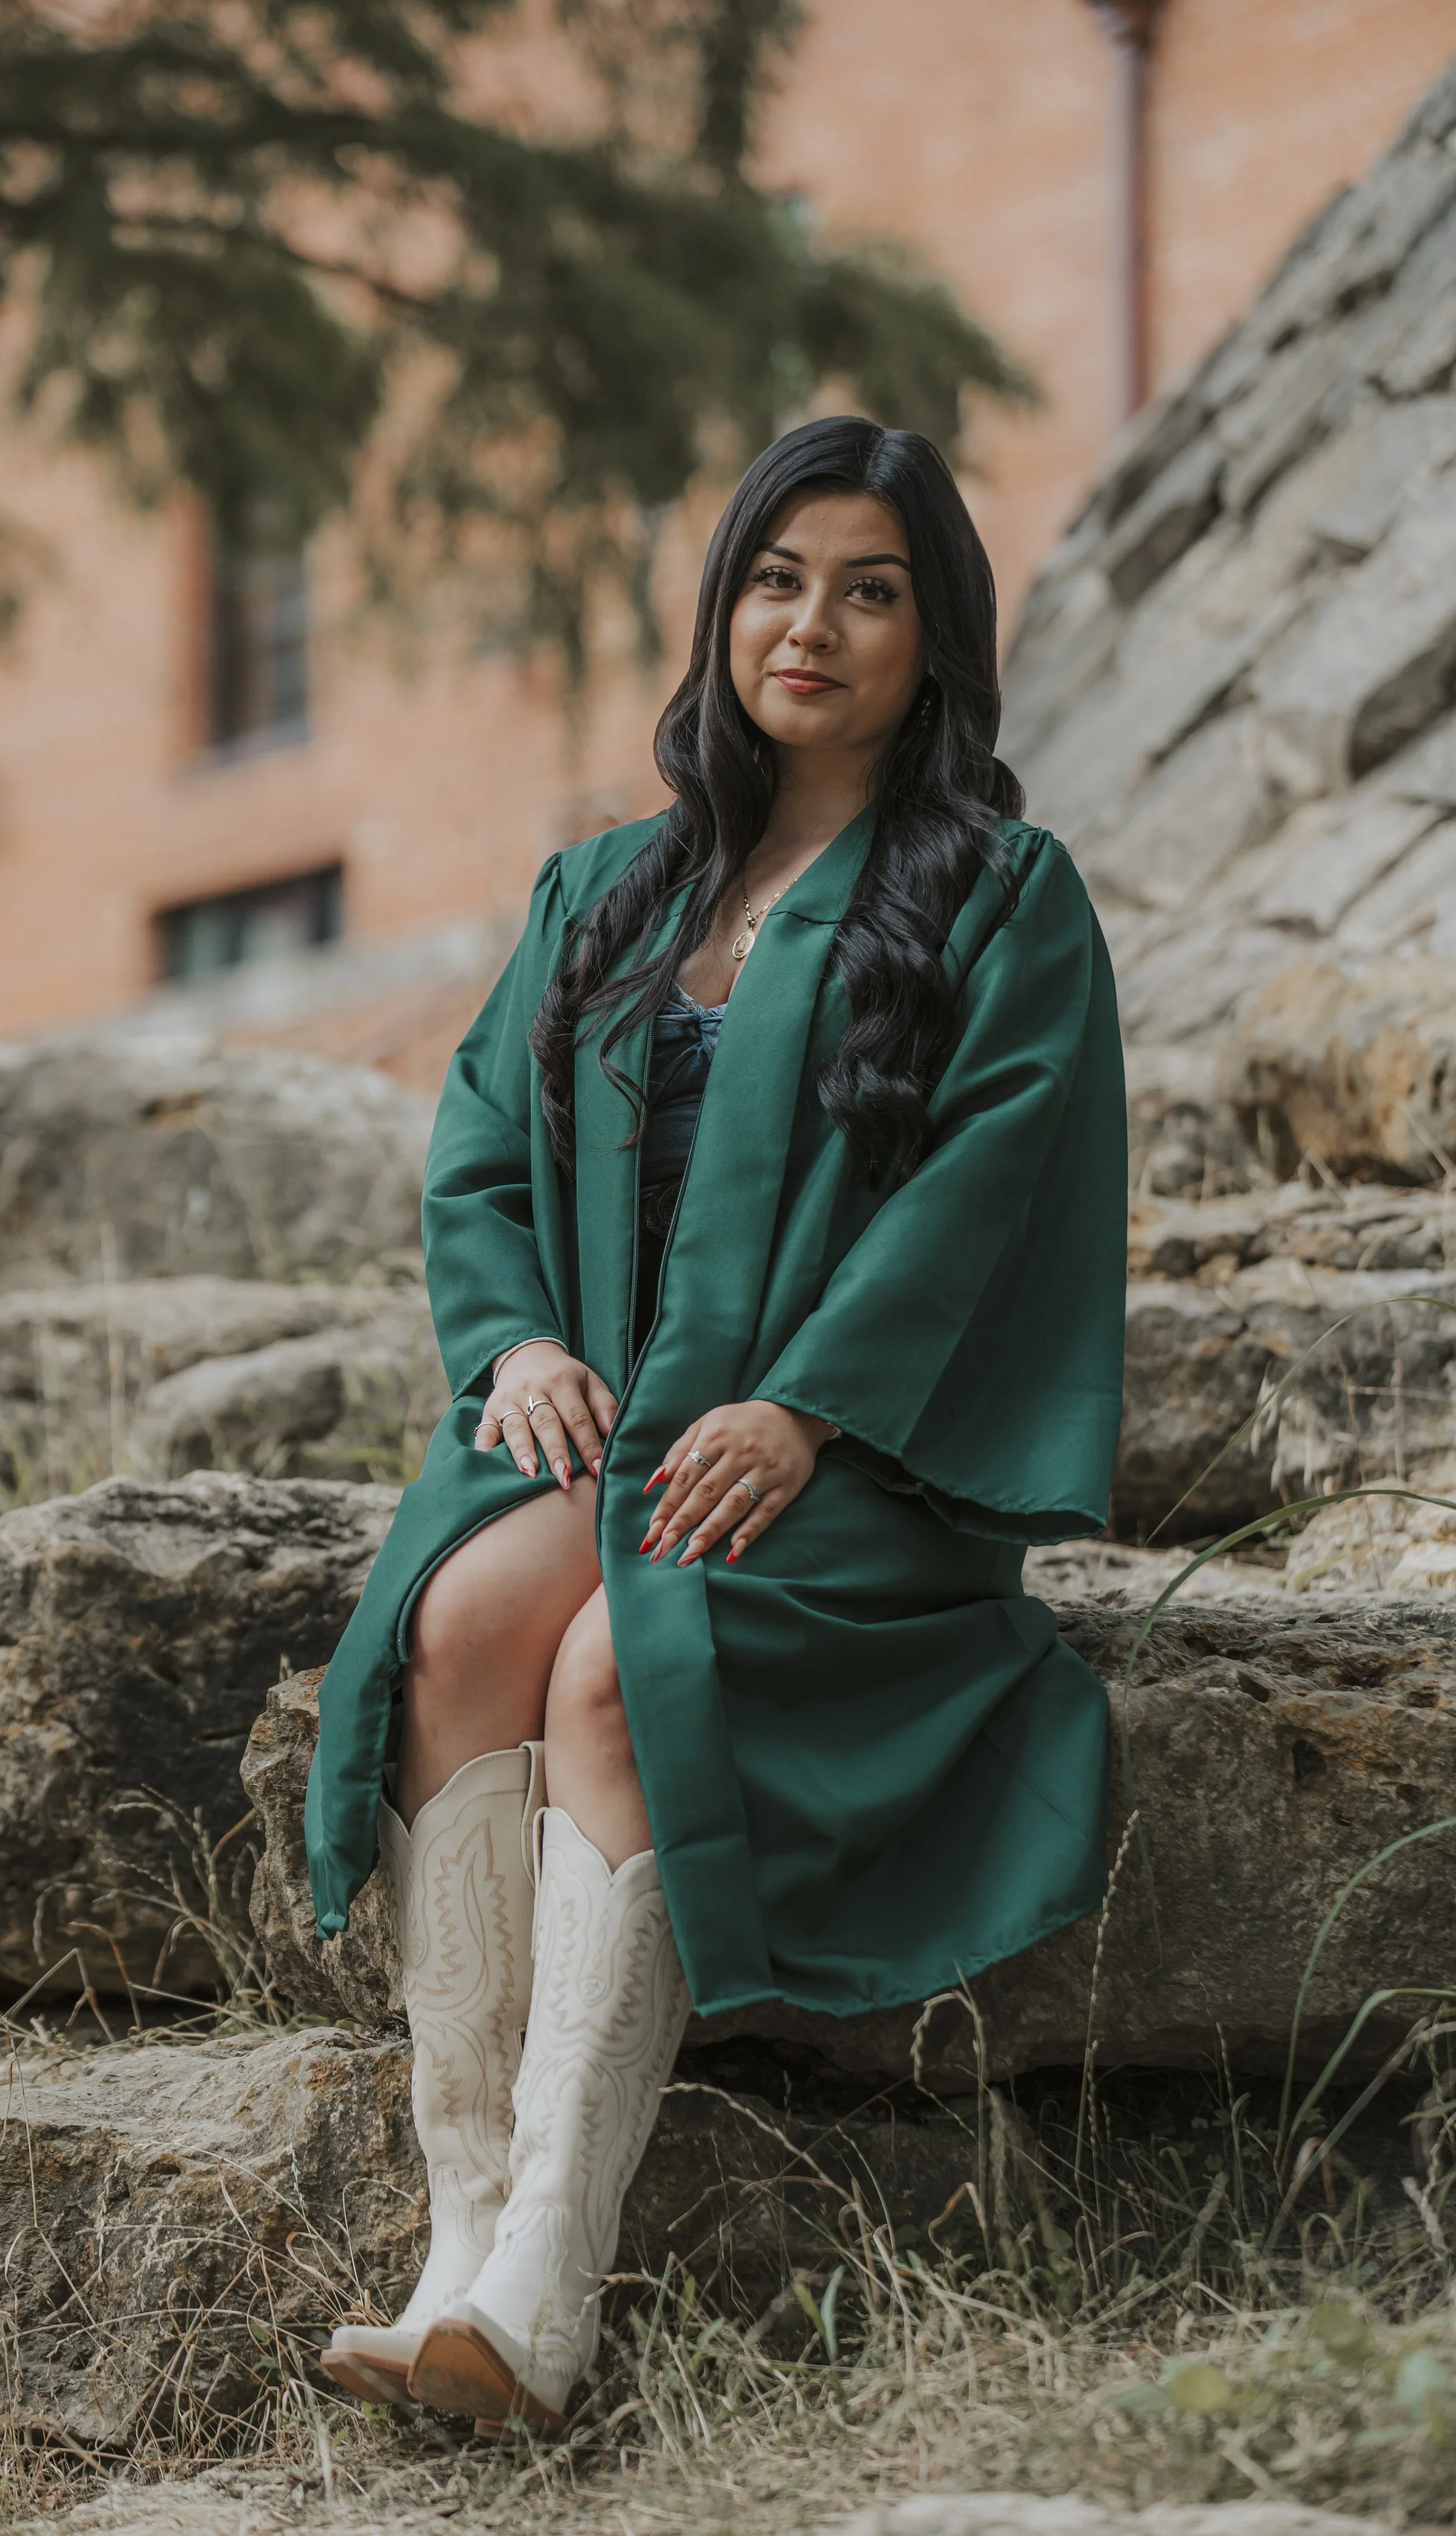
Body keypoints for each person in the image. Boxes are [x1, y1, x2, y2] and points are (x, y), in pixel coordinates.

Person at [308, 414, 1127, 2431]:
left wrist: (811, 1406)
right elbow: (478, 1149)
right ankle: (457, 2224)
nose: (811, 626)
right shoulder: (607, 887)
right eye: (776, 580)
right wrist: (514, 1347)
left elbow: (988, 1189)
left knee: (621, 1663)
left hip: (851, 1457)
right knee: (455, 1625)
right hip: (613, 1426)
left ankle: (545, 2274)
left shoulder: (997, 898)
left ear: (937, 638)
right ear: (722, 611)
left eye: (869, 591)